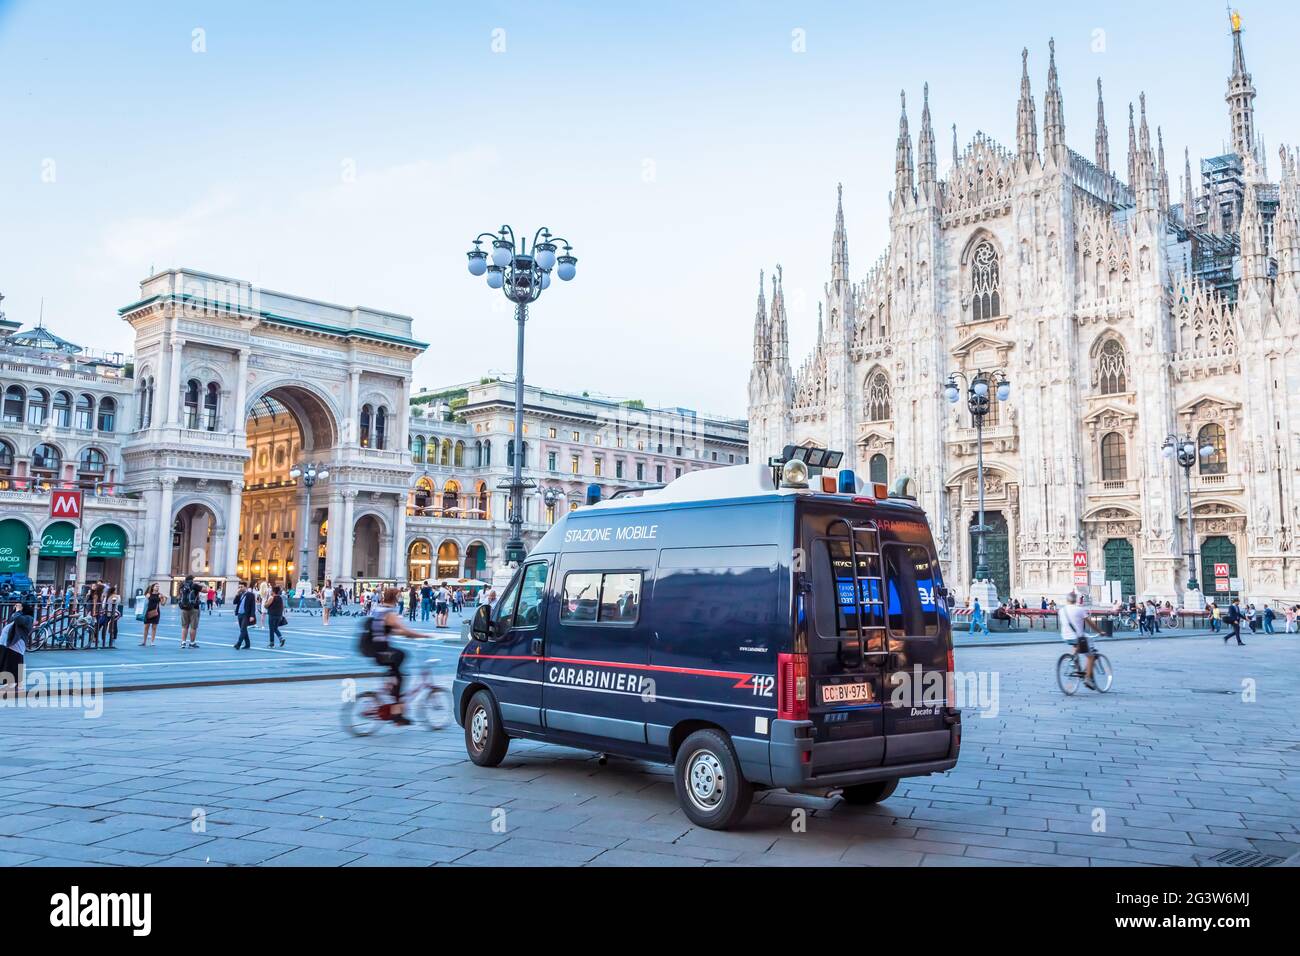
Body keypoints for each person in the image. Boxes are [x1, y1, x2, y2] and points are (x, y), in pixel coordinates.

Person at [359, 586, 432, 724]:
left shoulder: (379, 609)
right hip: (381, 651)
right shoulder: (390, 613)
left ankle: (393, 692)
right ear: (395, 598)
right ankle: (397, 712)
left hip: (375, 649)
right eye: (398, 597)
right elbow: (404, 630)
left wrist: (407, 635)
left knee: (398, 664)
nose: (399, 599)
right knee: (402, 662)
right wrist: (423, 635)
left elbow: (387, 630)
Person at [1060, 591, 1100, 688]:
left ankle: (1075, 663)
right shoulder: (1079, 610)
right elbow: (1090, 623)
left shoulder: (1062, 610)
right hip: (1077, 636)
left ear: (1067, 600)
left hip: (1065, 636)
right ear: (1076, 600)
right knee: (1090, 656)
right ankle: (1087, 679)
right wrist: (1100, 631)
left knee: (1075, 646)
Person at [0, 596, 33, 694]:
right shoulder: (20, 616)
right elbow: (13, 617)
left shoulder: (28, 618)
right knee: (8, 664)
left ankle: (18, 685)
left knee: (16, 663)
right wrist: (17, 610)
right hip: (9, 644)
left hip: (16, 644)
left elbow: (18, 619)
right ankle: (11, 683)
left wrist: (18, 611)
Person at [178, 573, 203, 649]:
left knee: (184, 627)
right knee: (193, 627)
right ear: (192, 579)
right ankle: (192, 643)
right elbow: (206, 590)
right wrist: (202, 585)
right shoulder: (194, 585)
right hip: (194, 608)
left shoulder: (182, 585)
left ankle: (183, 642)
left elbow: (179, 595)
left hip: (183, 608)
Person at [233, 583, 256, 650]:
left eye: (241, 587)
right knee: (243, 629)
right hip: (240, 614)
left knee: (243, 629)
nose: (240, 588)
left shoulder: (250, 595)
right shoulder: (240, 595)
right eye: (239, 587)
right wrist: (237, 594)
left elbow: (253, 606)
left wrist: (252, 615)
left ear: (245, 587)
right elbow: (234, 602)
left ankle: (238, 643)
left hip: (246, 614)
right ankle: (247, 644)